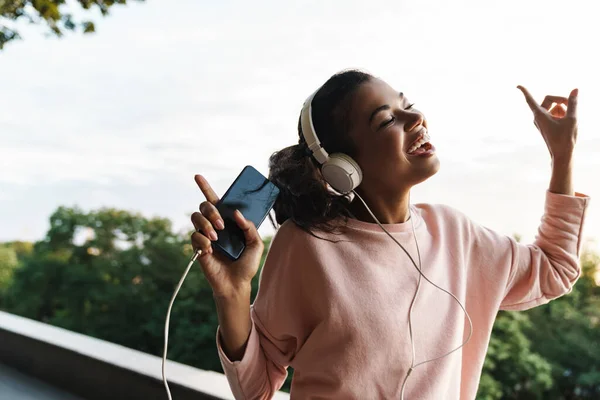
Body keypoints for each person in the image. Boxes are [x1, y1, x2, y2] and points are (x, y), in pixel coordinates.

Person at [190, 69, 591, 399]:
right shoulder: (306, 245)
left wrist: (563, 155)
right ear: (342, 166)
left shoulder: (456, 234)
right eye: (387, 120)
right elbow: (256, 388)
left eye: (408, 106)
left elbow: (554, 269)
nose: (415, 120)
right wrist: (232, 293)